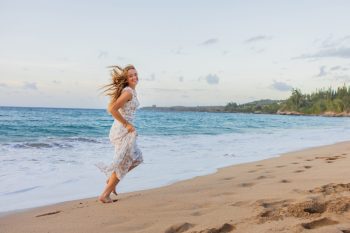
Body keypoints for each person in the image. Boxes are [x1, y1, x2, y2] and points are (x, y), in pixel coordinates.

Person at [96, 64, 143, 203]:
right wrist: (127, 124)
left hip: (127, 130)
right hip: (122, 130)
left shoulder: (132, 91)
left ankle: (112, 181)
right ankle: (105, 195)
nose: (134, 77)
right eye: (131, 76)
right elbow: (112, 109)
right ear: (126, 79)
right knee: (124, 162)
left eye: (135, 74)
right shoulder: (128, 92)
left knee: (137, 159)